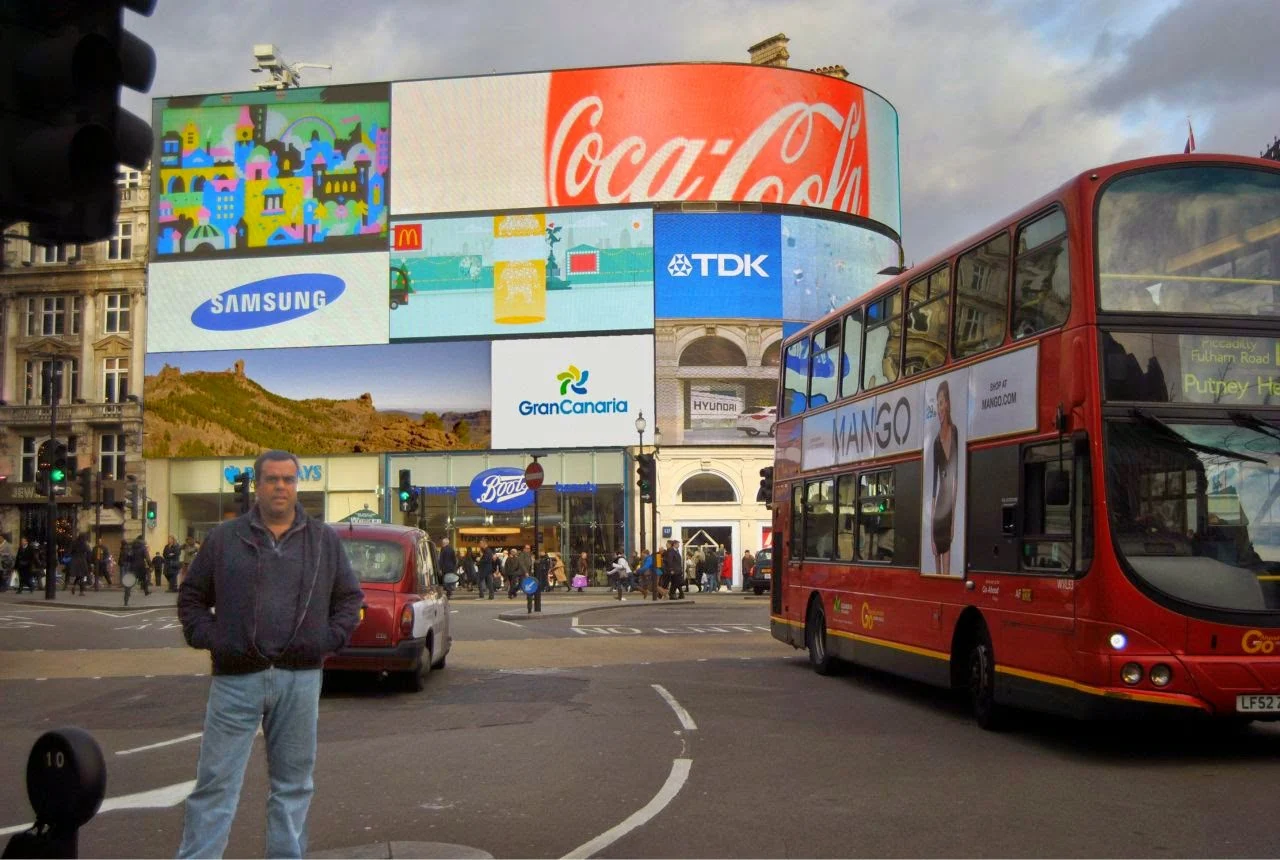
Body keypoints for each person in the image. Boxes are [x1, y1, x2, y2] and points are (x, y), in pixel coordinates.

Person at [176, 450, 363, 859]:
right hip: (235, 680)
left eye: (288, 480)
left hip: (300, 678)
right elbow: (192, 597)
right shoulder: (225, 539)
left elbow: (349, 599)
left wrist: (326, 639)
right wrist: (214, 638)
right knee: (215, 785)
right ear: (257, 485)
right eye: (272, 479)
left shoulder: (323, 540)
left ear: (297, 486)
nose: (281, 486)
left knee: (293, 786)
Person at [930, 380, 959, 574]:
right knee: (937, 572)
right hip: (938, 510)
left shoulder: (955, 432)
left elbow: (955, 480)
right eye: (937, 404)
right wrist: (931, 533)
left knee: (947, 573)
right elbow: (934, 487)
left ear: (947, 403)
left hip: (948, 511)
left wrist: (953, 521)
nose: (939, 408)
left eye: (941, 402)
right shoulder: (934, 442)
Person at [124, 534, 150, 606]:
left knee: (129, 583)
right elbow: (147, 558)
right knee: (144, 579)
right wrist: (150, 565)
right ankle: (146, 591)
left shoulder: (132, 547)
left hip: (132, 567)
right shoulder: (143, 548)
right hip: (141, 567)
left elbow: (127, 558)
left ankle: (126, 600)